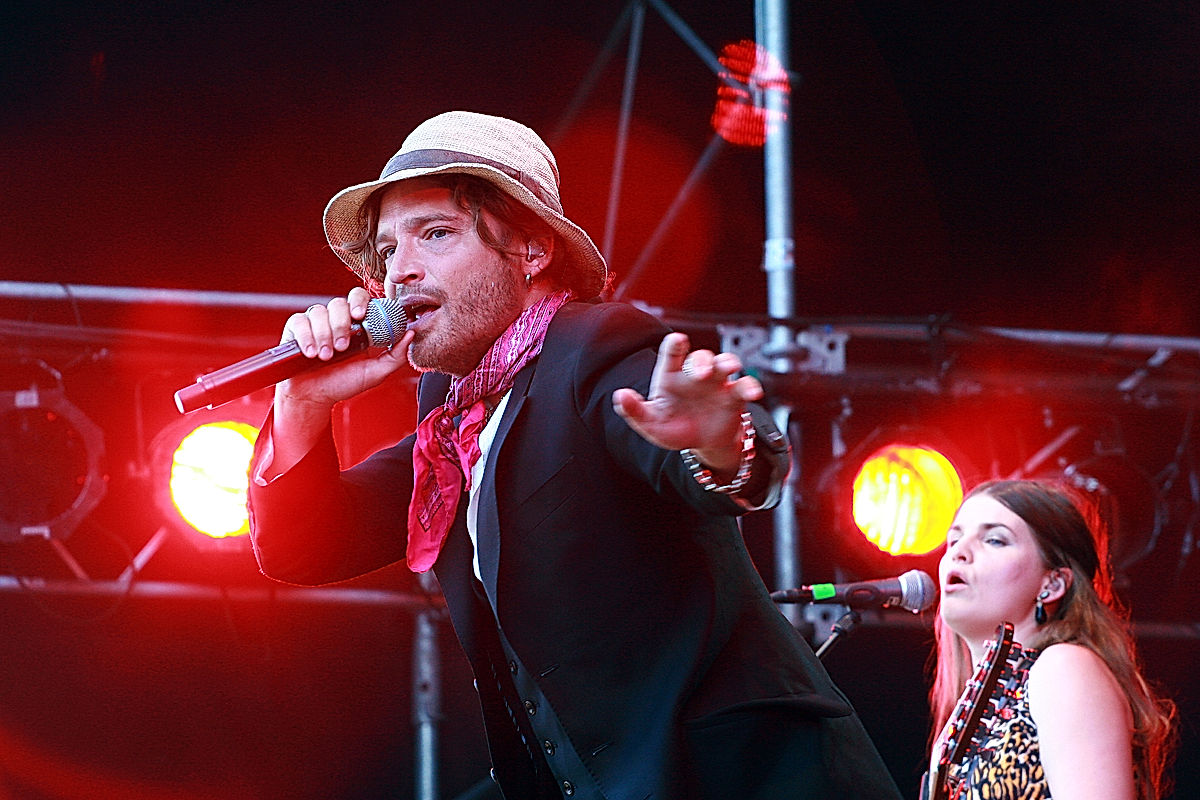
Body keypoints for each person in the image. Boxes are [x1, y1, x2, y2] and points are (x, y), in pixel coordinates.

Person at [246, 110, 901, 799]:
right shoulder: (456, 418)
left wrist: (718, 439)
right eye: (386, 252)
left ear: (532, 249)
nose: (399, 271)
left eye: (435, 234)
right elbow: (307, 546)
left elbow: (716, 454)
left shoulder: (593, 352)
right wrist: (301, 402)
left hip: (746, 777)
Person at [923, 479, 1177, 800]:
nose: (959, 552)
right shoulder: (960, 725)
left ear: (1052, 584)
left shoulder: (1063, 668)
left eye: (995, 540)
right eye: (954, 539)